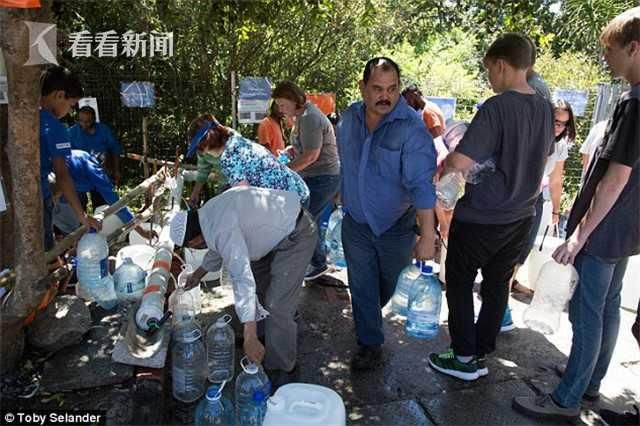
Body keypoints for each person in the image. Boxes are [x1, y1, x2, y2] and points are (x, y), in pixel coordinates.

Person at [513, 7, 640, 421]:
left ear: (633, 49)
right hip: (627, 229)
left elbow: (614, 179)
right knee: (608, 305)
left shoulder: (632, 103)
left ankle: (566, 398)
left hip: (605, 229)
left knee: (587, 313)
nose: (606, 57)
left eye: (611, 49)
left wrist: (579, 235)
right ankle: (589, 381)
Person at [427, 33, 554, 381]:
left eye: (488, 71)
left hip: (484, 214)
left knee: (459, 280)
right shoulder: (545, 106)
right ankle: (481, 349)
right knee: (498, 283)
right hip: (521, 214)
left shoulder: (497, 107)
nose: (489, 79)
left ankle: (464, 357)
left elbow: (462, 159)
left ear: (501, 64)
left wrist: (449, 159)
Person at [336, 57, 437, 370]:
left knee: (387, 286)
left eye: (392, 89)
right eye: (377, 88)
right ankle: (369, 343)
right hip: (356, 223)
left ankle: (370, 317)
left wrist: (428, 236)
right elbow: (347, 162)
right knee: (361, 283)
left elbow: (422, 186)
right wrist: (341, 193)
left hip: (396, 227)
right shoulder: (348, 119)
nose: (385, 96)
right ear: (362, 88)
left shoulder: (411, 129)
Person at [169, 186, 316, 388]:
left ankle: (284, 368)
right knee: (260, 293)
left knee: (277, 305)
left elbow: (242, 277)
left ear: (194, 240)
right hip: (274, 234)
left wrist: (249, 334)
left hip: (296, 234)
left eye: (193, 246)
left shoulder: (219, 228)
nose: (197, 248)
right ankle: (265, 339)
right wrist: (197, 275)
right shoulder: (206, 216)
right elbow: (217, 246)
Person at [504, 99, 576, 330]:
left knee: (519, 255)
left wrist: (556, 210)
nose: (559, 127)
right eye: (556, 121)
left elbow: (556, 178)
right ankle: (498, 306)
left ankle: (501, 303)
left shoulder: (560, 144)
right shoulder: (530, 134)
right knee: (506, 254)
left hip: (534, 203)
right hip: (512, 200)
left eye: (564, 124)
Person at [273, 81, 341, 281]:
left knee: (306, 220)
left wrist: (284, 171)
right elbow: (304, 148)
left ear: (294, 100)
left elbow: (312, 155)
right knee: (310, 219)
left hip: (324, 177)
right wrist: (291, 151)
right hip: (314, 177)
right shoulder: (301, 117)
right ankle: (316, 262)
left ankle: (317, 263)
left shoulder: (310, 117)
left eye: (283, 104)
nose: (280, 109)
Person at [186, 114, 309, 206]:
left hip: (289, 200)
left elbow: (246, 200)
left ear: (206, 145)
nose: (201, 153)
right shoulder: (234, 140)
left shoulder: (229, 159)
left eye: (200, 149)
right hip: (296, 189)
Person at [40, 66, 101, 251]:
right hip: (39, 199)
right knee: (44, 254)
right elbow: (63, 175)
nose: (70, 110)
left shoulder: (26, 115)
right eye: (71, 104)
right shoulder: (54, 126)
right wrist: (83, 217)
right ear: (59, 95)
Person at [51, 150, 155, 241]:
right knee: (62, 225)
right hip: (49, 181)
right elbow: (119, 207)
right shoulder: (96, 172)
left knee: (65, 226)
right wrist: (142, 231)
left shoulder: (85, 159)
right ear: (106, 167)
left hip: (58, 187)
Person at [69, 106, 123, 194]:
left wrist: (116, 170)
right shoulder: (72, 132)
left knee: (102, 204)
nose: (84, 124)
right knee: (80, 202)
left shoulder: (104, 130)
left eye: (87, 122)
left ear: (94, 120)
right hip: (79, 174)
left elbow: (115, 149)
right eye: (81, 121)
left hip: (101, 172)